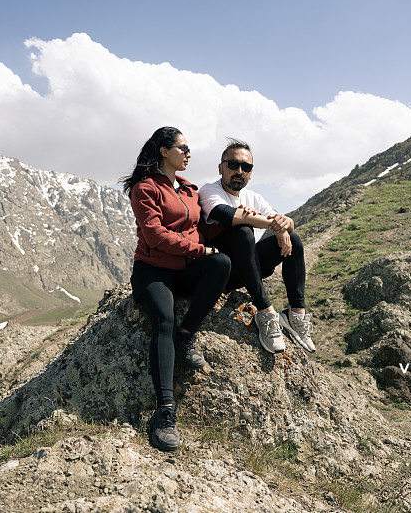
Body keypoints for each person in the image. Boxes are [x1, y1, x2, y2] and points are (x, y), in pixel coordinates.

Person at [121, 126, 231, 452]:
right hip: (152, 272)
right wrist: (199, 251)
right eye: (182, 147)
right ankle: (164, 411)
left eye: (188, 148)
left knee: (222, 263)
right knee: (164, 321)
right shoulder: (144, 188)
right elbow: (154, 237)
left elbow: (201, 229)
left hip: (183, 270)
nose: (188, 153)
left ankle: (187, 336)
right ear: (164, 151)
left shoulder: (189, 190)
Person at [199, 138, 315, 354]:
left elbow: (287, 221)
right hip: (222, 270)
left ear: (251, 173)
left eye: (246, 167)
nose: (239, 171)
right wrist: (274, 225)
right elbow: (226, 214)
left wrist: (283, 227)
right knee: (242, 230)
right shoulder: (209, 191)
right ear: (220, 167)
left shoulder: (254, 197)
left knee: (295, 240)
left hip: (249, 267)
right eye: (232, 165)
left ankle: (295, 315)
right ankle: (265, 312)